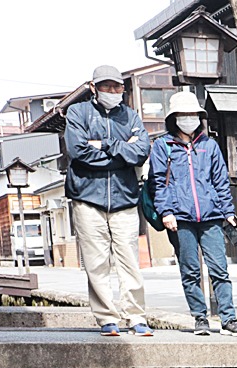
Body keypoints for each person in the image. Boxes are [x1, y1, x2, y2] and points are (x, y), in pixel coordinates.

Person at [149, 91, 237, 338]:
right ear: (174, 118)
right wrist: (166, 212)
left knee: (220, 269)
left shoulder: (209, 145)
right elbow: (158, 183)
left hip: (211, 216)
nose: (188, 119)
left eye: (192, 114)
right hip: (180, 219)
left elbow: (220, 182)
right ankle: (200, 317)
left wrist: (228, 212)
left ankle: (229, 319)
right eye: (183, 115)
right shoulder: (163, 146)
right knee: (190, 270)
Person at [64, 64, 151, 336]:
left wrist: (104, 144)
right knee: (96, 262)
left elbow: (140, 153)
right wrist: (121, 152)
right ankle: (106, 318)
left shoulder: (132, 116)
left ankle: (136, 317)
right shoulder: (78, 112)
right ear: (94, 88)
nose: (113, 91)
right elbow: (78, 151)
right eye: (107, 86)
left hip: (124, 199)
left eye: (117, 87)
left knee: (129, 261)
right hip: (87, 197)